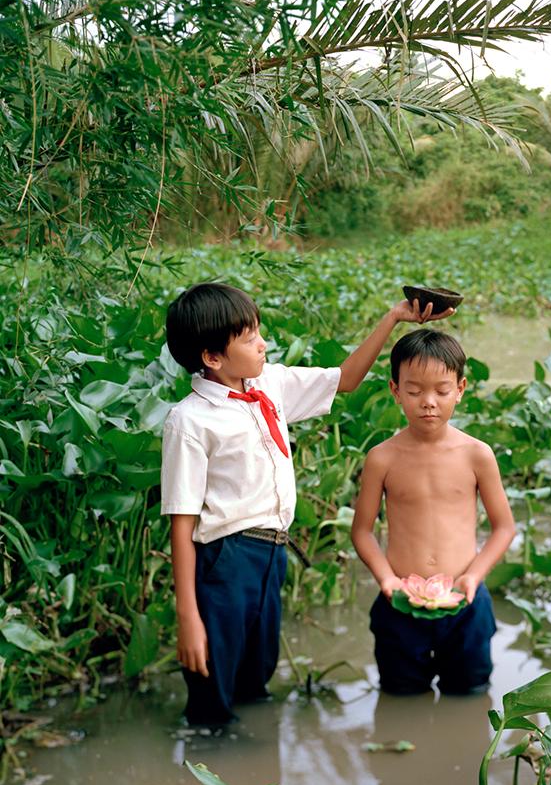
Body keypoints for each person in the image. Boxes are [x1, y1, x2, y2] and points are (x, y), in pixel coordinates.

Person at [161, 282, 451, 726]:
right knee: (211, 690)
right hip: (226, 560)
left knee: (256, 677)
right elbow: (181, 527)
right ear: (212, 357)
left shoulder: (269, 384)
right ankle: (204, 765)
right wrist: (188, 618)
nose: (264, 344)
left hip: (272, 554)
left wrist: (394, 318)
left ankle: (253, 765)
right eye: (250, 337)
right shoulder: (190, 421)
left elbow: (346, 379)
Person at [351, 330, 516, 695]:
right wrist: (386, 579)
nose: (428, 402)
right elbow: (362, 531)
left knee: (469, 697)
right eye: (414, 391)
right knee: (400, 696)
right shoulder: (382, 457)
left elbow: (504, 527)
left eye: (441, 391)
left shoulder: (477, 454)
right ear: (395, 390)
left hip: (464, 600)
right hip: (400, 601)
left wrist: (474, 576)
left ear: (461, 388)